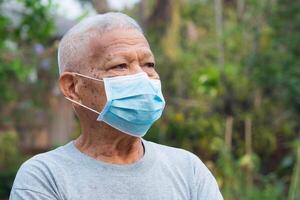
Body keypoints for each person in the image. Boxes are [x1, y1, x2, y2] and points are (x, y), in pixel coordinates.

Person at [10, 12, 223, 200]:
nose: (142, 77)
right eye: (120, 65)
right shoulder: (45, 177)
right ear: (73, 87)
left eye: (149, 65)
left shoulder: (188, 170)